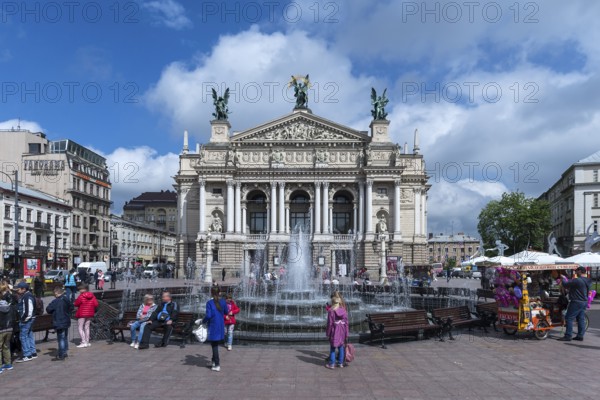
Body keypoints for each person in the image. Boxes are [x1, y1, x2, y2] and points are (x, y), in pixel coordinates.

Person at [558, 266, 592, 342]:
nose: (576, 273)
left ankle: (568, 335)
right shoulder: (588, 280)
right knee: (581, 319)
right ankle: (580, 336)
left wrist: (563, 278)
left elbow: (566, 285)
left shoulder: (577, 280)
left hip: (576, 302)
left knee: (569, 318)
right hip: (584, 301)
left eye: (576, 271)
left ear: (580, 271)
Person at [202, 287, 228, 372]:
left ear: (211, 293)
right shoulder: (223, 302)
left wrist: (203, 321)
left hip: (213, 325)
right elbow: (226, 312)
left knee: (214, 345)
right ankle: (213, 362)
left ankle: (217, 364)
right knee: (215, 344)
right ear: (219, 293)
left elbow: (208, 315)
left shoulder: (209, 303)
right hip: (220, 325)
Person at [45, 286, 73, 360]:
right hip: (66, 320)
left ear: (56, 293)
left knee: (61, 338)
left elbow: (48, 309)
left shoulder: (56, 301)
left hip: (59, 321)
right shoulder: (66, 299)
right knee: (65, 337)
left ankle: (61, 354)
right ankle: (65, 351)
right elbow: (71, 308)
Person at [325, 292, 349, 369]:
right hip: (342, 331)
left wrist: (328, 333)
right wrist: (346, 333)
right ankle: (340, 363)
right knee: (341, 347)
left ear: (332, 302)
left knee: (332, 348)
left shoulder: (331, 311)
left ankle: (332, 364)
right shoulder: (344, 311)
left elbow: (330, 323)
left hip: (334, 331)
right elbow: (346, 323)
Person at [15, 282, 37, 362]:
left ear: (23, 289)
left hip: (27, 319)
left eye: (18, 289)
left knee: (23, 337)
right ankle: (33, 352)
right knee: (29, 335)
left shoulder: (27, 297)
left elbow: (29, 310)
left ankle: (27, 354)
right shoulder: (28, 295)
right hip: (30, 319)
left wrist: (24, 319)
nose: (17, 291)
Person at [73, 284, 98, 348]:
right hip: (90, 313)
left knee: (80, 327)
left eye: (80, 289)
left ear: (84, 289)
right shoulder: (92, 296)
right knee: (87, 327)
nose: (79, 290)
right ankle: (87, 341)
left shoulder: (81, 296)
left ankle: (83, 342)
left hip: (82, 314)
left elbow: (76, 304)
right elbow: (96, 304)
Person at [0, 282, 16, 372]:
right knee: (6, 346)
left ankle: (0, 366)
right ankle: (8, 364)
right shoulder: (8, 305)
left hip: (1, 329)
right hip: (9, 328)